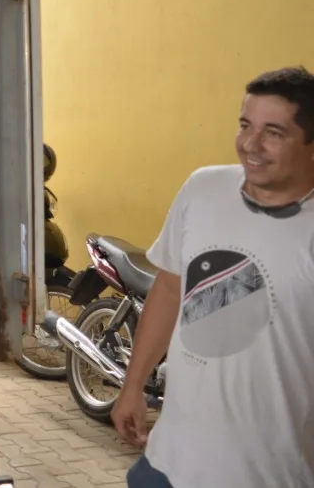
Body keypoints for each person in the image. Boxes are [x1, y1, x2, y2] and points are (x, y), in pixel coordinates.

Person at [111, 66, 314, 488]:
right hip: (165, 466)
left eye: (273, 132)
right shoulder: (203, 189)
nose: (250, 145)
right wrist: (133, 385)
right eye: (245, 125)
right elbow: (169, 289)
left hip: (271, 475)